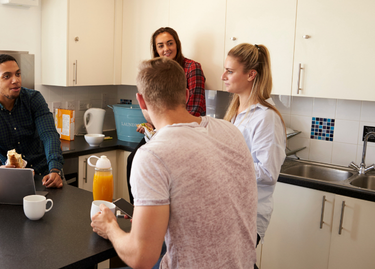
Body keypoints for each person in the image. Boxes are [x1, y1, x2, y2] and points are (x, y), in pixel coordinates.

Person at [91, 57, 257, 269]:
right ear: (186, 95)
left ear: (141, 101)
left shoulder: (151, 155)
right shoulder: (230, 130)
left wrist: (110, 227)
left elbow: (141, 257)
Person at [126, 27, 207, 203]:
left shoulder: (192, 68)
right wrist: (150, 127)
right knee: (133, 160)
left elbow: (195, 109)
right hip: (159, 131)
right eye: (160, 45)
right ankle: (138, 211)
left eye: (170, 43)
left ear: (177, 44)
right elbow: (154, 107)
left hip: (185, 132)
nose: (166, 49)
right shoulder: (154, 72)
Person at [222, 43, 287, 253]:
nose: (224, 76)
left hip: (248, 215)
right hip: (229, 209)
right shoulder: (235, 111)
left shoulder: (266, 118)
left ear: (251, 75)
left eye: (230, 71)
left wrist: (223, 162)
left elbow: (268, 173)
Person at [0, 54, 64, 188]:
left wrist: (55, 169)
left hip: (48, 175)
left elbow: (49, 135)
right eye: (7, 76)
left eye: (18, 74)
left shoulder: (33, 99)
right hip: (12, 181)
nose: (15, 80)